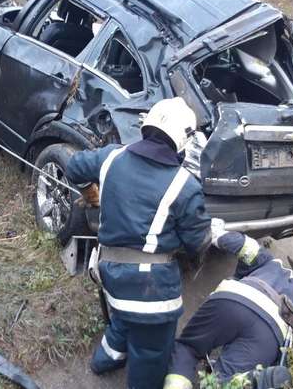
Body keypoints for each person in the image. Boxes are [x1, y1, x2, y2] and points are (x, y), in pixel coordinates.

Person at [65, 97, 219, 389]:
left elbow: (74, 166)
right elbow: (196, 242)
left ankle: (104, 361)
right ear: (183, 142)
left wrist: (89, 192)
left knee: (122, 318)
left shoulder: (111, 157)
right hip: (152, 293)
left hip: (109, 273)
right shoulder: (184, 186)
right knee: (151, 352)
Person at [163, 227, 293, 389]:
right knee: (225, 381)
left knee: (188, 348)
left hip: (232, 301)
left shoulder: (271, 263)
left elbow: (243, 244)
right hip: (269, 332)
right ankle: (233, 381)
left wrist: (215, 232)